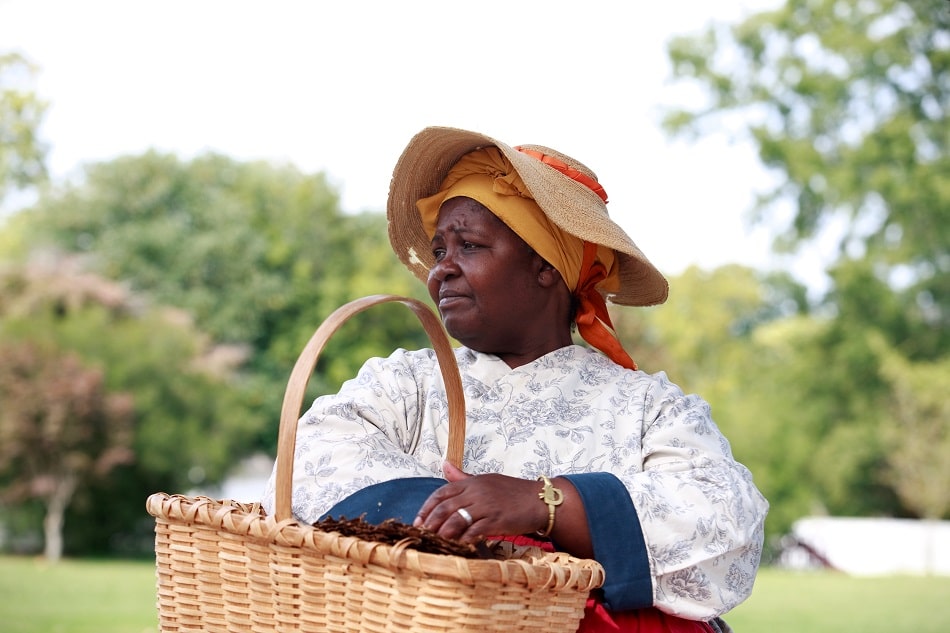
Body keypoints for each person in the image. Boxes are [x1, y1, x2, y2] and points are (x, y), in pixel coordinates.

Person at [262, 126, 768, 632]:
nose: (443, 271)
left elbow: (726, 520)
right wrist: (477, 533)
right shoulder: (404, 383)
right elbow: (306, 466)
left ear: (545, 266)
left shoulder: (649, 406)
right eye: (439, 251)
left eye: (471, 246)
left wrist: (540, 503)